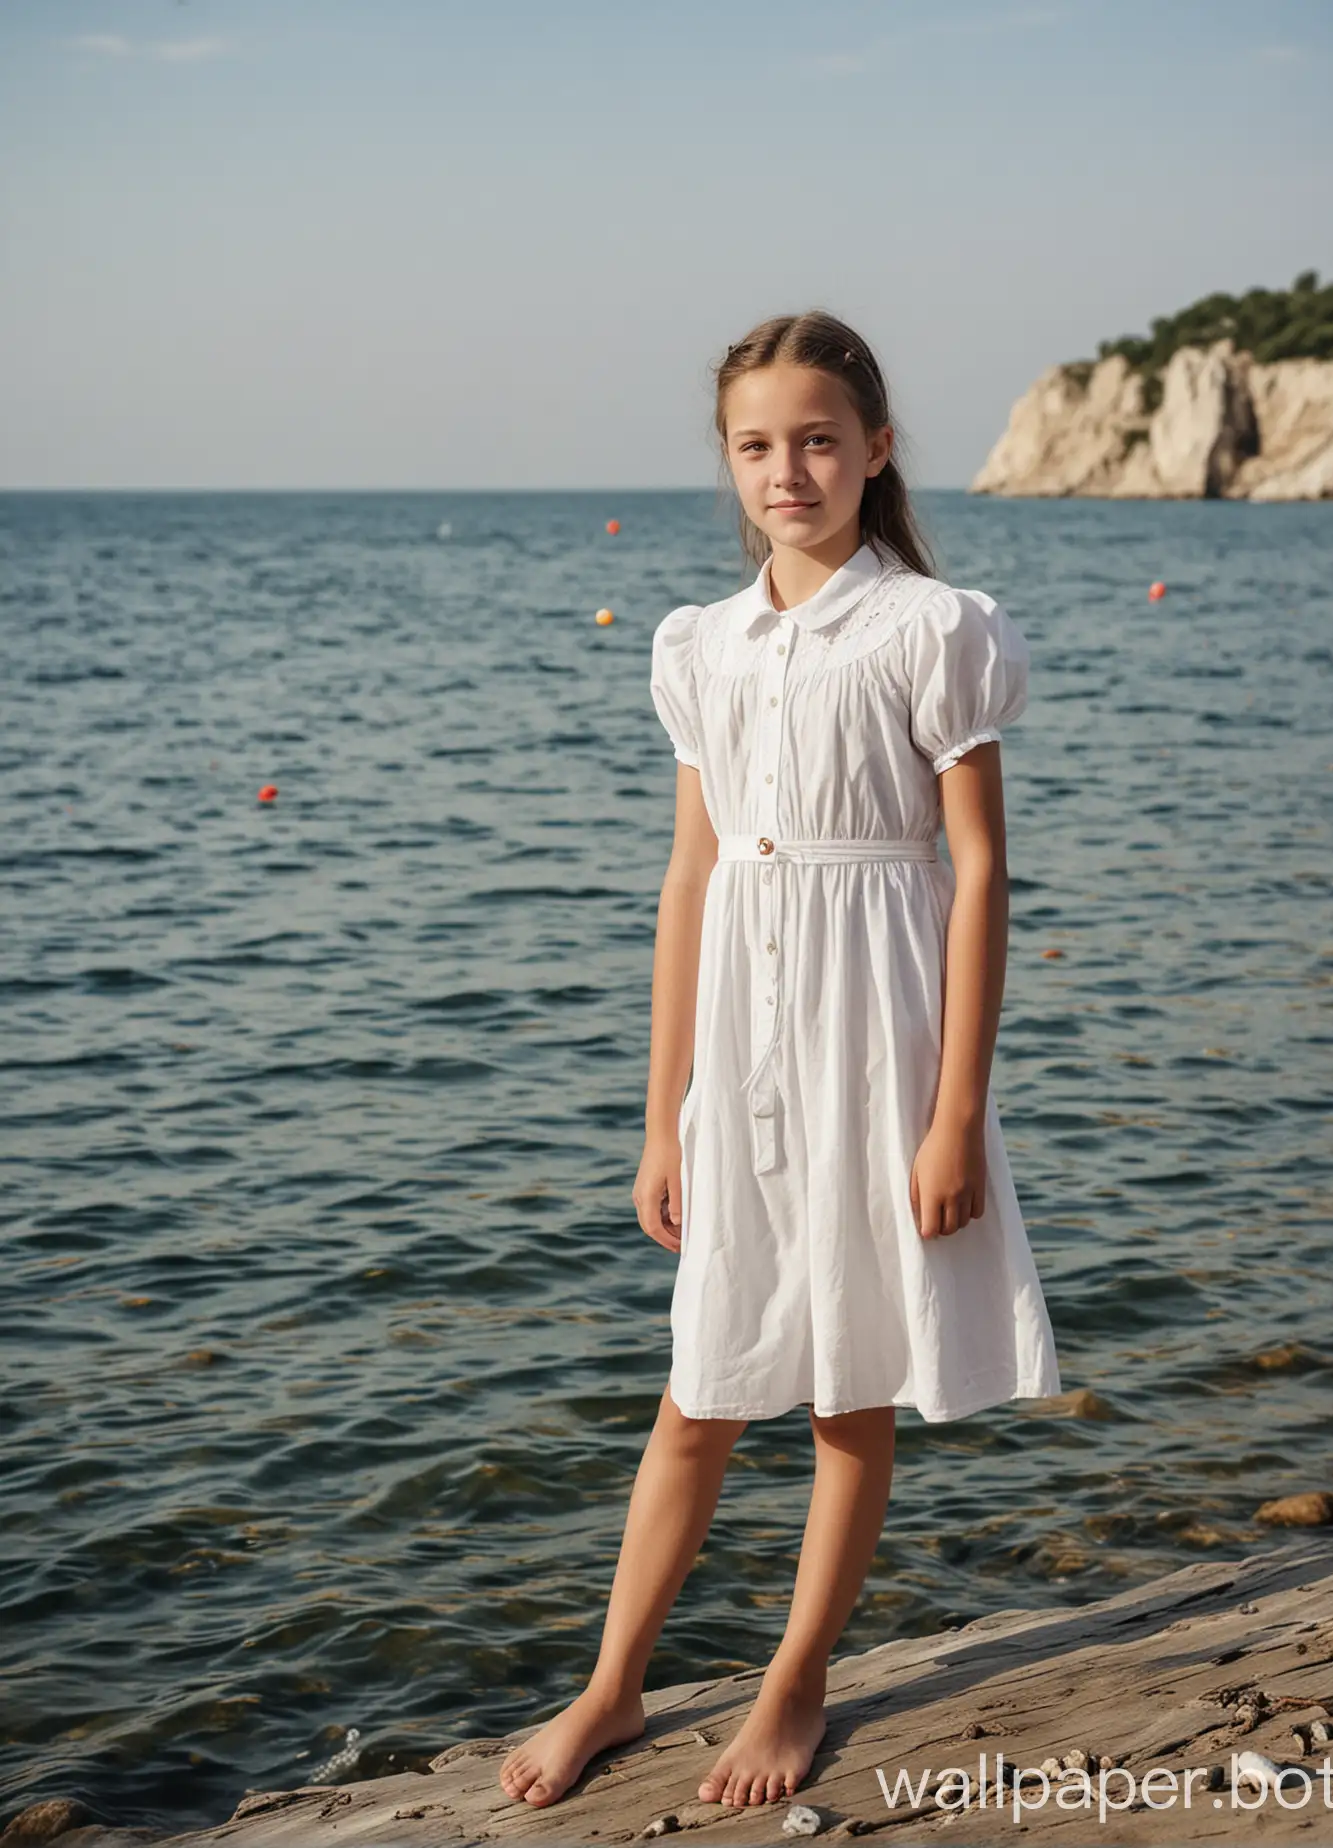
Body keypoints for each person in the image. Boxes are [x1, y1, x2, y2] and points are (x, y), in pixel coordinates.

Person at [499, 308, 1061, 1814]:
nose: (789, 469)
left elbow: (982, 874)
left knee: (844, 1395)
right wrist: (659, 1116)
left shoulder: (930, 630)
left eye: (820, 439)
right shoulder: (703, 647)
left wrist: (954, 1118)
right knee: (699, 1387)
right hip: (739, 1057)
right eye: (758, 445)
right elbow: (691, 882)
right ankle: (611, 1685)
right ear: (729, 462)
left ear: (877, 450)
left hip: (880, 1042)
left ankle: (797, 1677)